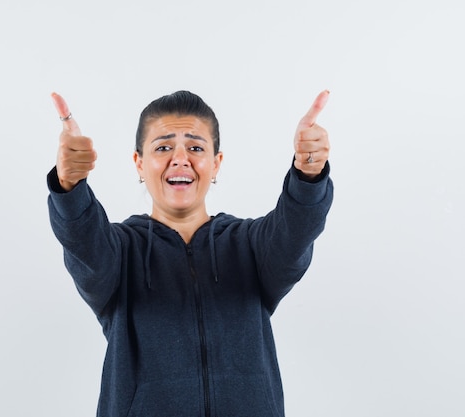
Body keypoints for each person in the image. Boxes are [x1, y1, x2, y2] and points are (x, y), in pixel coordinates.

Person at [47, 90, 333, 417]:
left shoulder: (251, 245)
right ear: (139, 163)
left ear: (216, 164)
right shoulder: (119, 252)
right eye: (164, 147)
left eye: (195, 147)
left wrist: (308, 176)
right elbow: (83, 239)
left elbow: (295, 230)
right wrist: (69, 186)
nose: (180, 158)